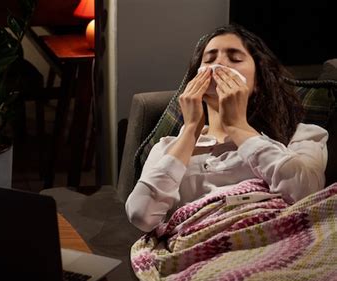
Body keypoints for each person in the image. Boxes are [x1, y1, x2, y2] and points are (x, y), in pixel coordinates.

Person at [125, 24, 328, 232]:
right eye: (210, 59)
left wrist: (237, 127)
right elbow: (141, 215)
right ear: (195, 80)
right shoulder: (168, 147)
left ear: (257, 81)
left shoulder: (301, 134)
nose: (219, 64)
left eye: (235, 58)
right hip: (197, 251)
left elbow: (308, 196)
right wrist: (190, 130)